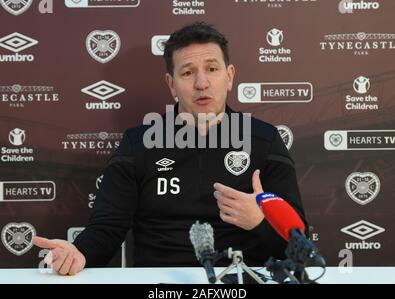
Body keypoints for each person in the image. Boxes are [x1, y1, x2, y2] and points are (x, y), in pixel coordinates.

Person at [32, 22, 307, 276]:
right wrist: (79, 253)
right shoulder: (138, 144)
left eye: (212, 69)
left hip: (242, 282)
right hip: (159, 284)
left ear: (230, 76)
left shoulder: (264, 140)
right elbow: (107, 229)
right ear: (171, 84)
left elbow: (299, 245)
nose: (202, 83)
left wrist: (259, 221)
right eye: (188, 73)